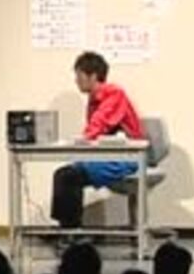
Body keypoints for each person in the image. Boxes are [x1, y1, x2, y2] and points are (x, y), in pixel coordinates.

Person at [51, 52, 145, 229]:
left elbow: (99, 124)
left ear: (93, 76)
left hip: (127, 158)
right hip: (110, 156)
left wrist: (82, 140)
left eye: (79, 75)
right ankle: (67, 229)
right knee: (63, 174)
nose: (76, 81)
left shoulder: (114, 94)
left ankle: (71, 231)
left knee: (69, 176)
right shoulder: (94, 99)